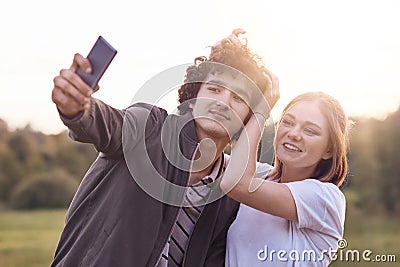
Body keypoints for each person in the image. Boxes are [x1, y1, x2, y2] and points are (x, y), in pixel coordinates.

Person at [50, 29, 279, 266]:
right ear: (194, 94)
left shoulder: (230, 191)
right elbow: (103, 123)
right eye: (214, 89)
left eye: (238, 99)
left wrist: (263, 111)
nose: (222, 103)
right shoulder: (148, 126)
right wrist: (77, 107)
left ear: (249, 118)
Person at [220, 91, 350, 266]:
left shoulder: (325, 198)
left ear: (329, 150)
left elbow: (235, 183)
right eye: (287, 122)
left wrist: (261, 112)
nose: (294, 134)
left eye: (310, 130)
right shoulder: (261, 176)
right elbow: (207, 160)